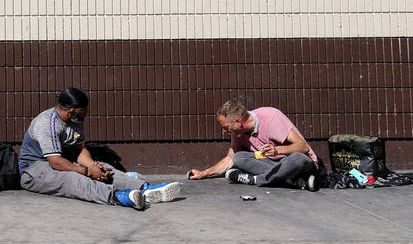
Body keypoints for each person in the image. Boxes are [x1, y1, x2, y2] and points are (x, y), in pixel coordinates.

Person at [18, 88, 181, 210]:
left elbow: (80, 149)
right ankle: (119, 197)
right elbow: (55, 162)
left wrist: (92, 167)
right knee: (74, 179)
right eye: (84, 111)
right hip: (35, 170)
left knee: (104, 168)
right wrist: (86, 172)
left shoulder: (75, 120)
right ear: (71, 111)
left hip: (63, 161)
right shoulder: (46, 123)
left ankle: (144, 189)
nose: (86, 114)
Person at [187, 100, 319, 191]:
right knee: (239, 158)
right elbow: (230, 159)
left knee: (296, 159)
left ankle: (254, 180)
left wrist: (277, 150)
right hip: (272, 166)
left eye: (226, 127)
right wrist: (203, 173)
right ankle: (293, 181)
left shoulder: (270, 117)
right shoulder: (238, 132)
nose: (224, 131)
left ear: (238, 122)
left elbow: (303, 147)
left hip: (300, 164)